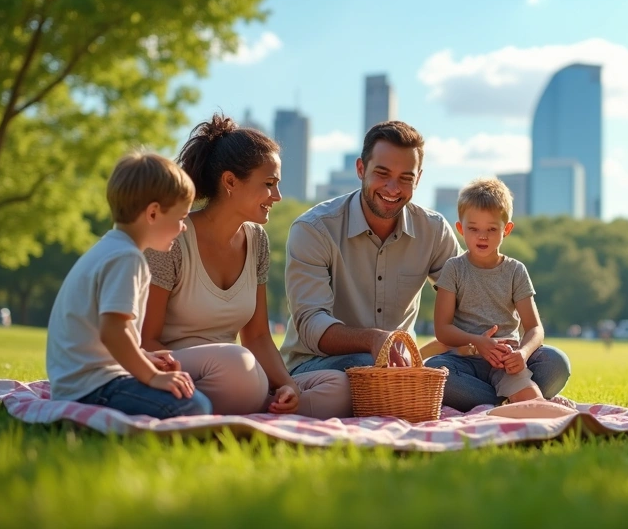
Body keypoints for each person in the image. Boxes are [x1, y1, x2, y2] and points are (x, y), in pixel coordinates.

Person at [279, 121, 572, 412]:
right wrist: (373, 340)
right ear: (360, 169)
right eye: (382, 174)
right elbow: (311, 326)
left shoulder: (433, 230)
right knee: (374, 366)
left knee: (553, 363)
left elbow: (469, 296)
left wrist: (499, 348)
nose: (393, 188)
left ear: (418, 179)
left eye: (405, 178)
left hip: (401, 367)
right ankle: (515, 400)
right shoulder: (314, 229)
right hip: (319, 363)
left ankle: (496, 400)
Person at [143, 115, 350, 418]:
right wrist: (198, 371)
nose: (277, 196)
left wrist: (288, 386)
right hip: (175, 370)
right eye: (268, 184)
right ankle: (249, 401)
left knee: (339, 385)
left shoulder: (257, 241)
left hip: (237, 372)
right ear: (230, 182)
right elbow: (145, 339)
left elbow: (257, 337)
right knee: (239, 367)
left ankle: (263, 405)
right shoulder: (173, 237)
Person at [46, 151, 211, 418]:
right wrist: (153, 377)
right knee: (196, 406)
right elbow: (112, 331)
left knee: (191, 398)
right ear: (154, 213)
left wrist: (143, 356)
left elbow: (103, 336)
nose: (183, 227)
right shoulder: (127, 258)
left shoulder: (109, 249)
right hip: (93, 390)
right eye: (181, 218)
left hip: (76, 385)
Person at [429, 177, 554, 404]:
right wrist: (478, 342)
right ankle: (505, 399)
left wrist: (523, 354)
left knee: (555, 361)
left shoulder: (515, 270)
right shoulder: (454, 268)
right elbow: (442, 329)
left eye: (491, 229)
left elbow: (534, 327)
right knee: (436, 370)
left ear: (506, 229)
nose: (482, 236)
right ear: (460, 229)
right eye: (473, 228)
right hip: (466, 362)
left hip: (507, 361)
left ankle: (496, 398)